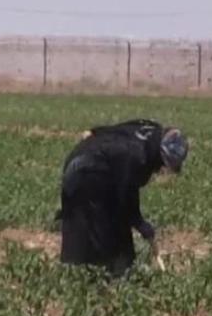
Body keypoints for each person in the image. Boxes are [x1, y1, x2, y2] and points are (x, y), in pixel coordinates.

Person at [57, 118, 188, 278]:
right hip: (85, 172)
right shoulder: (137, 157)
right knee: (101, 226)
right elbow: (125, 195)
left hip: (90, 161)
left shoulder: (150, 129)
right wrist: (140, 223)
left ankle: (116, 270)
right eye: (163, 164)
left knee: (115, 221)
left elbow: (114, 130)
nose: (160, 169)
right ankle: (102, 275)